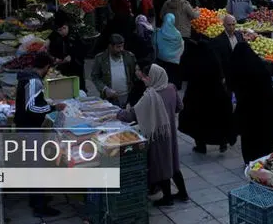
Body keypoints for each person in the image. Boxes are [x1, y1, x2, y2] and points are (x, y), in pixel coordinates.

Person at [117, 64, 188, 206]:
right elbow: (179, 107)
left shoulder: (150, 95)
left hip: (157, 134)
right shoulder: (171, 88)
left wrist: (117, 113)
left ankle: (167, 198)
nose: (144, 80)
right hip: (170, 131)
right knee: (173, 162)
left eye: (146, 76)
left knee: (162, 165)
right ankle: (183, 193)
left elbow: (131, 115)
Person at [15, 53, 64, 217]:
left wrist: (46, 103)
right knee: (37, 166)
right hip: (29, 128)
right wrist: (52, 108)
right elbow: (31, 108)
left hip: (26, 127)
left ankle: (37, 198)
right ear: (45, 67)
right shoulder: (34, 81)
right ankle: (39, 206)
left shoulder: (28, 78)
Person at [179, 39, 234, 154]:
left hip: (197, 96)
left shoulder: (193, 58)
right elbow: (219, 73)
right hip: (216, 94)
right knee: (217, 119)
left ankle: (201, 145)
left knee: (198, 121)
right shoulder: (212, 56)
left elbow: (184, 74)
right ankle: (222, 142)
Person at [231, 42, 273, 163]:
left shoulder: (238, 69)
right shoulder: (260, 67)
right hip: (265, 111)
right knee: (264, 138)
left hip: (248, 112)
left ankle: (250, 163)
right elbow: (269, 90)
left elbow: (236, 90)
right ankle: (265, 161)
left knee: (248, 139)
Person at [91, 34, 139, 107]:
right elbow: (95, 77)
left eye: (122, 46)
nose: (121, 49)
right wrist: (105, 89)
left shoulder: (129, 56)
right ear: (110, 46)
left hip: (127, 96)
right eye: (118, 47)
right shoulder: (100, 58)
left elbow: (135, 75)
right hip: (109, 99)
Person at [48, 13, 86, 92]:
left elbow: (83, 50)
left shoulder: (75, 35)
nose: (62, 32)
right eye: (59, 30)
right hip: (62, 68)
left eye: (64, 28)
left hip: (75, 67)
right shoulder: (56, 35)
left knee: (77, 88)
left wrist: (72, 56)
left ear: (67, 26)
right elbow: (52, 43)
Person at [212, 14, 245, 91]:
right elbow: (218, 60)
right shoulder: (218, 40)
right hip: (228, 73)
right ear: (224, 25)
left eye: (233, 25)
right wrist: (222, 76)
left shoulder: (239, 35)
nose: (231, 27)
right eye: (229, 25)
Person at [154, 13, 185, 89]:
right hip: (174, 58)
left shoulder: (159, 32)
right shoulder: (177, 33)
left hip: (161, 56)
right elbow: (180, 44)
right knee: (174, 72)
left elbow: (155, 43)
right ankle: (175, 86)